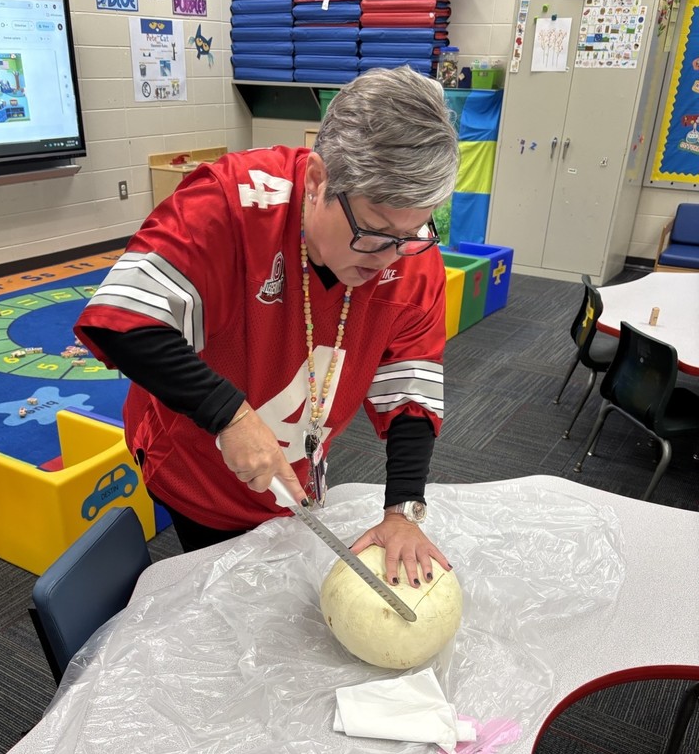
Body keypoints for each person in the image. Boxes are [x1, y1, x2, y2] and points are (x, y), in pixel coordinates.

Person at [74, 65, 459, 588]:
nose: (391, 255)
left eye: (411, 232)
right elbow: (123, 318)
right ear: (319, 181)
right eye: (375, 231)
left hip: (298, 456)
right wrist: (229, 417)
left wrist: (403, 510)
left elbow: (410, 383)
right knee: (221, 595)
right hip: (199, 463)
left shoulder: (409, 254)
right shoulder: (229, 203)